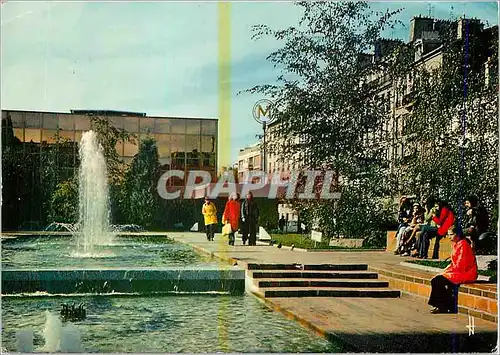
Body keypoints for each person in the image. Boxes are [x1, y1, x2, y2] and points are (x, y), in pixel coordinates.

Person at [428, 225, 477, 314]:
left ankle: (442, 306)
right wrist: (444, 271)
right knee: (436, 280)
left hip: (466, 273)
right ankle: (444, 305)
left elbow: (460, 265)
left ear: (457, 234)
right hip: (458, 271)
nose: (449, 237)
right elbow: (454, 262)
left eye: (451, 234)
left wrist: (445, 273)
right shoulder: (457, 243)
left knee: (438, 280)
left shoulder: (463, 244)